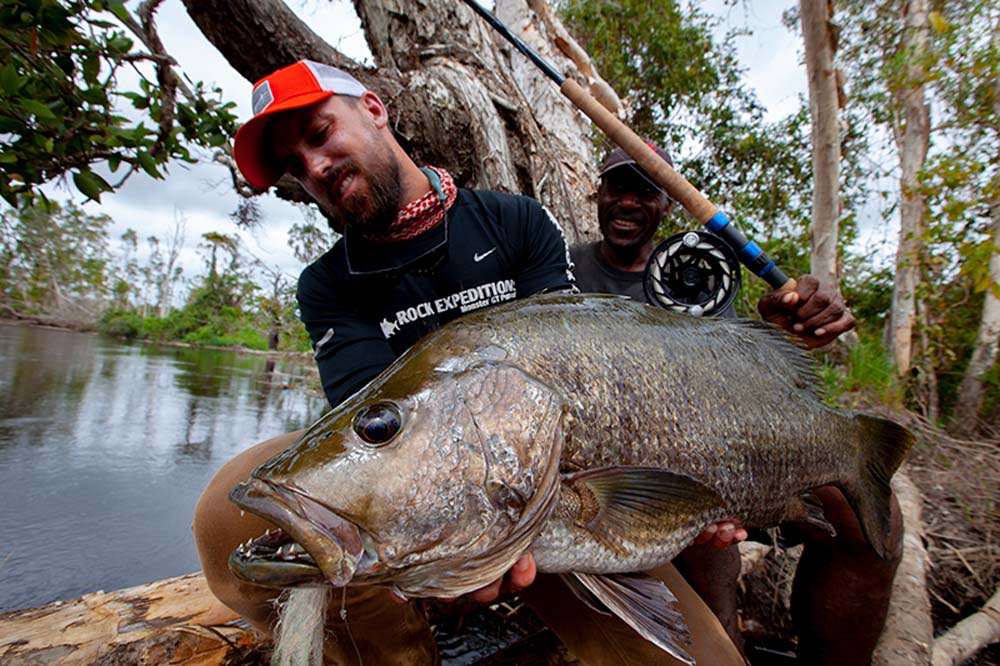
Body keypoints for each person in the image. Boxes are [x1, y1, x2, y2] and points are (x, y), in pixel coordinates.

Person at [193, 60, 746, 665]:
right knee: (226, 511)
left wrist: (687, 493)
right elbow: (368, 420)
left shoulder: (517, 223)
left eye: (320, 134)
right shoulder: (326, 285)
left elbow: (584, 380)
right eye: (295, 166)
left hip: (550, 487)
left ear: (374, 110)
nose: (315, 168)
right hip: (415, 495)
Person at [571, 143, 903, 665]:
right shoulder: (566, 273)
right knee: (709, 559)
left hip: (725, 452)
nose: (629, 203)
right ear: (598, 193)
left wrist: (786, 329)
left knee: (869, 523)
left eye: (645, 191)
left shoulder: (703, 274)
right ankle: (722, 642)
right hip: (620, 476)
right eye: (618, 187)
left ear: (667, 205)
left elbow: (735, 377)